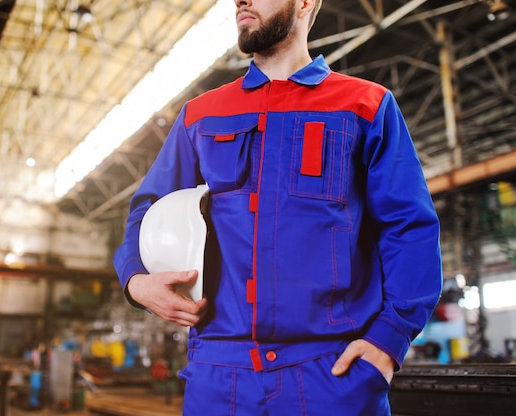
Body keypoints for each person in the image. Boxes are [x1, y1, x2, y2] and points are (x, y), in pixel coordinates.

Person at [113, 0, 443, 414]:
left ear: (305, 3)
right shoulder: (201, 115)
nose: (240, 1)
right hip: (220, 374)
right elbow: (147, 209)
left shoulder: (366, 106)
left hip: (333, 374)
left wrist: (389, 340)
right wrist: (135, 281)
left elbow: (408, 228)